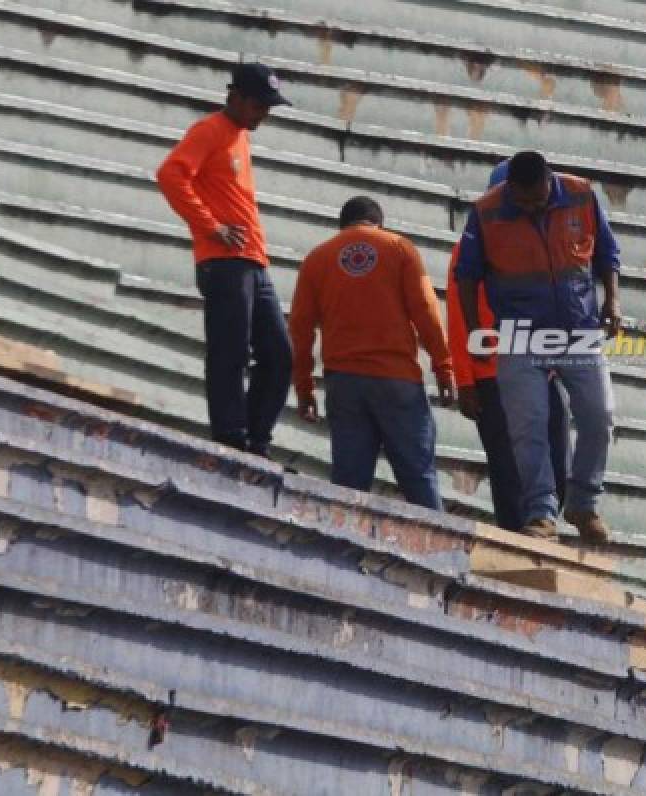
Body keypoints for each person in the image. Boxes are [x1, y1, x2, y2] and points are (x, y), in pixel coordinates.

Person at [455, 151, 621, 542]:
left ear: (550, 181)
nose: (530, 207)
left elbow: (607, 254)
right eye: (522, 200)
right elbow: (466, 276)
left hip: (578, 328)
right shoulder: (487, 211)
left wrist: (612, 300)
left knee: (600, 416)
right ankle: (542, 511)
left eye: (536, 199)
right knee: (528, 425)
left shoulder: (582, 194)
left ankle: (583, 502)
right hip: (519, 334)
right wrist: (475, 332)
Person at [156, 62, 292, 457]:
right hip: (225, 260)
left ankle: (255, 436)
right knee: (230, 350)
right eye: (259, 105)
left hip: (252, 259)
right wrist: (211, 227)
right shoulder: (210, 130)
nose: (264, 114)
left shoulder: (238, 136)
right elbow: (170, 174)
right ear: (236, 97)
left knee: (278, 354)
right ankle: (231, 435)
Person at [289, 196, 455, 510]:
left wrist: (304, 388)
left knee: (349, 488)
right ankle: (443, 555)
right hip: (397, 381)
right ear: (379, 223)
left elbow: (300, 328)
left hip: (345, 384)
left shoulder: (317, 258)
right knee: (419, 479)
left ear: (343, 226)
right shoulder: (398, 248)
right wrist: (444, 367)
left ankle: (345, 555)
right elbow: (426, 311)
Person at [447, 162, 572, 531]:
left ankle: (541, 528)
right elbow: (458, 317)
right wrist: (466, 382)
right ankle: (517, 539)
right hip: (493, 375)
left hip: (542, 368)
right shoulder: (470, 248)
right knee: (508, 468)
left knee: (558, 459)